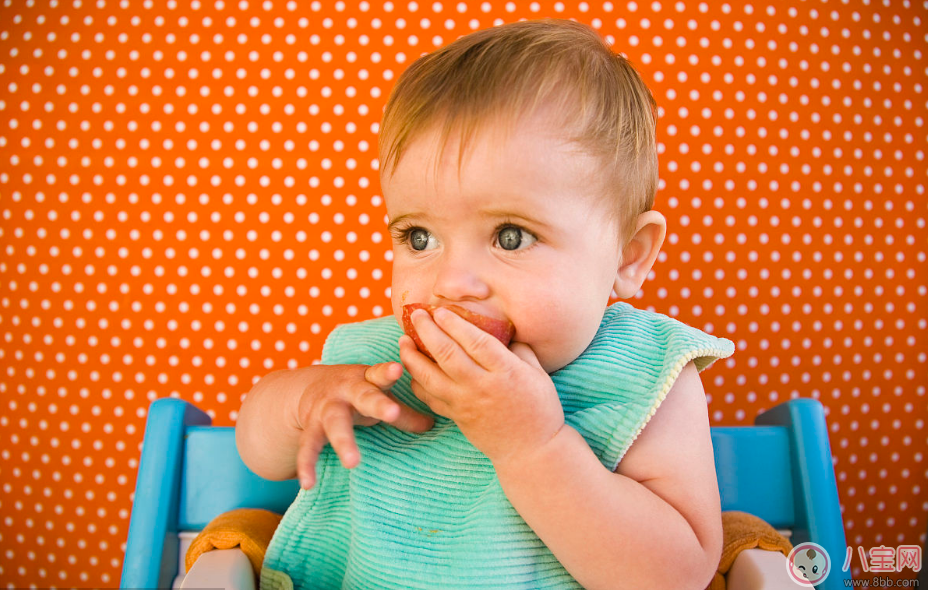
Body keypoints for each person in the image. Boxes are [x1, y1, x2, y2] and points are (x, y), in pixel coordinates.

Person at [235, 18, 734, 590]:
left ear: (628, 258)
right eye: (419, 238)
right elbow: (259, 455)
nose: (451, 282)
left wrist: (532, 446)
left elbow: (676, 576)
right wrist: (302, 400)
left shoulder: (645, 376)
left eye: (510, 236)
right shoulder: (375, 362)